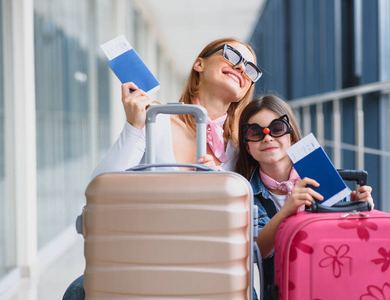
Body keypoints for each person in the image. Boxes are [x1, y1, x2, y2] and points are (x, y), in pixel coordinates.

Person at [62, 37, 262, 299]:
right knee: (79, 291)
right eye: (232, 56)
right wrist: (134, 127)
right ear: (199, 64)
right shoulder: (155, 119)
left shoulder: (244, 146)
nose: (240, 68)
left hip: (209, 263)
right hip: (145, 256)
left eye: (249, 68)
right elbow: (99, 189)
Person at [235, 94, 374, 298]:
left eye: (277, 128)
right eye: (255, 132)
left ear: (291, 135)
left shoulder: (320, 175)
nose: (267, 137)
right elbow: (258, 251)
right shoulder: (244, 191)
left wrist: (355, 209)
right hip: (281, 291)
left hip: (332, 286)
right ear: (247, 145)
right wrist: (286, 211)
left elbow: (347, 241)